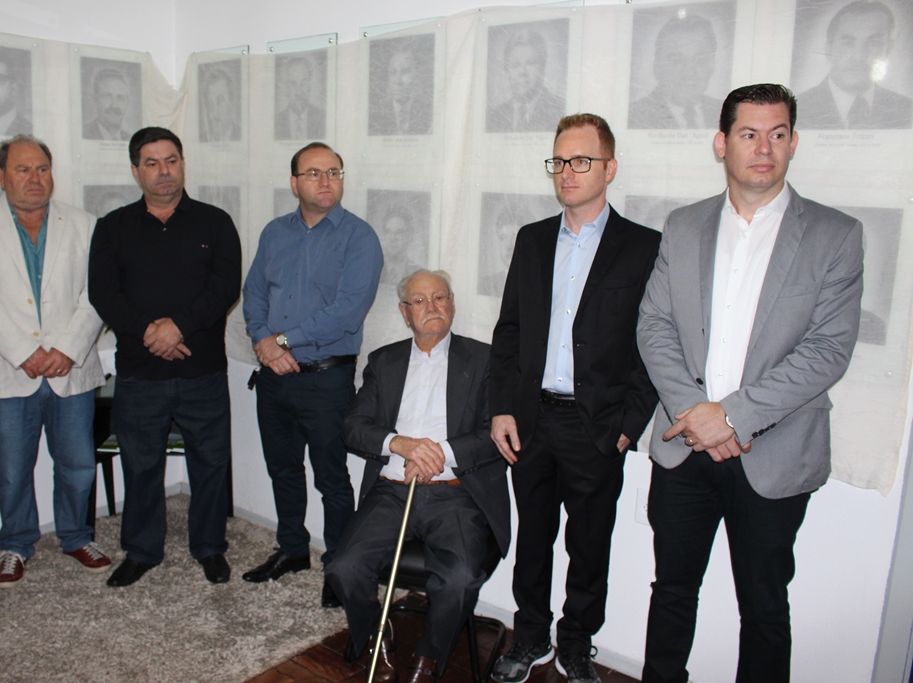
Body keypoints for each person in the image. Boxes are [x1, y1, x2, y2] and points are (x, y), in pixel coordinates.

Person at [636, 83, 863, 682]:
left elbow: (828, 351)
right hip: (684, 447)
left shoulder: (835, 235)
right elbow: (654, 325)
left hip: (775, 454)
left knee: (763, 607)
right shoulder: (683, 225)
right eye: (749, 133)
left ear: (793, 143)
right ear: (722, 143)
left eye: (777, 134)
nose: (764, 148)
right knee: (672, 591)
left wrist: (731, 416)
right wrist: (696, 413)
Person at [489, 113, 660, 683]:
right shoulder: (533, 240)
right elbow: (510, 330)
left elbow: (654, 343)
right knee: (532, 541)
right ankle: (530, 637)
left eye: (581, 160)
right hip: (532, 419)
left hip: (598, 426)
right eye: (560, 160)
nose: (567, 171)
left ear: (609, 168)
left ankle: (577, 644)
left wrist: (629, 424)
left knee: (589, 548)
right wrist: (502, 407)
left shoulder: (643, 247)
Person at [326, 269, 510, 683]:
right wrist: (400, 444)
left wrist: (439, 453)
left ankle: (429, 657)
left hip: (456, 494)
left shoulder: (484, 360)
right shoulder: (384, 361)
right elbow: (353, 427)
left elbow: (493, 433)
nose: (433, 307)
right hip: (393, 490)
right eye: (421, 301)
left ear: (453, 304)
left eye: (440, 297)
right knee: (343, 567)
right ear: (404, 312)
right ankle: (377, 635)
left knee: (460, 578)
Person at [0, 134, 110, 587]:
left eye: (42, 169)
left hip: (70, 369)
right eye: (23, 170)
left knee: (77, 463)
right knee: (12, 469)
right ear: (1, 176)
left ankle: (76, 536)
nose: (35, 178)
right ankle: (16, 544)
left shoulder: (84, 224)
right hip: (9, 370)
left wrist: (66, 349)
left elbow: (96, 293)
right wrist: (26, 352)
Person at [88, 127, 242, 587]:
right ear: (136, 171)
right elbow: (104, 294)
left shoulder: (215, 222)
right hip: (140, 373)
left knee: (210, 463)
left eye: (171, 160)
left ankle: (210, 546)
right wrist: (149, 332)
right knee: (141, 465)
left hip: (203, 370)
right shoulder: (112, 227)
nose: (164, 171)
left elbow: (224, 288)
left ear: (183, 163)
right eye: (152, 163)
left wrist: (178, 327)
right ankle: (141, 550)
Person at [242, 142, 383, 608]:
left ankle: (339, 567)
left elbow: (346, 313)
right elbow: (254, 294)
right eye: (314, 173)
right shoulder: (274, 233)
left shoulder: (359, 238)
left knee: (332, 479)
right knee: (282, 469)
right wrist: (264, 341)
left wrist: (280, 341)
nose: (326, 181)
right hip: (274, 378)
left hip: (326, 381)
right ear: (294, 183)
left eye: (334, 172)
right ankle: (292, 549)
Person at [798, 0, 912, 129]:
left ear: (888, 49)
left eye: (873, 43)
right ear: (828, 50)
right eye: (848, 43)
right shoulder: (796, 107)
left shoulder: (907, 109)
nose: (859, 57)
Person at [628, 14, 722, 129]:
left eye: (700, 60)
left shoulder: (725, 111)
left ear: (712, 65)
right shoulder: (634, 116)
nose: (689, 72)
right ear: (657, 65)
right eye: (676, 60)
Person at [486, 30, 565, 133]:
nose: (522, 72)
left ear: (543, 67)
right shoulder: (494, 116)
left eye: (530, 63)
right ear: (506, 70)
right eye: (515, 65)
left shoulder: (561, 110)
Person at [369, 47, 432, 136]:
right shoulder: (375, 116)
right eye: (393, 72)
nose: (398, 81)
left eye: (405, 72)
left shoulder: (428, 114)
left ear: (416, 76)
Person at [274, 57, 327, 140]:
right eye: (293, 84)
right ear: (286, 87)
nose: (299, 92)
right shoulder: (276, 122)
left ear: (310, 84)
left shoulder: (323, 119)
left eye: (304, 83)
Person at [83, 67, 133, 141]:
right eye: (107, 96)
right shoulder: (84, 134)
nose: (114, 105)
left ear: (127, 103)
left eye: (120, 98)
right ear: (95, 100)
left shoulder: (132, 139)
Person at [199, 64, 241, 142]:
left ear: (231, 102)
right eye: (210, 103)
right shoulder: (201, 139)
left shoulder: (240, 135)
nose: (214, 112)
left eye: (220, 101)